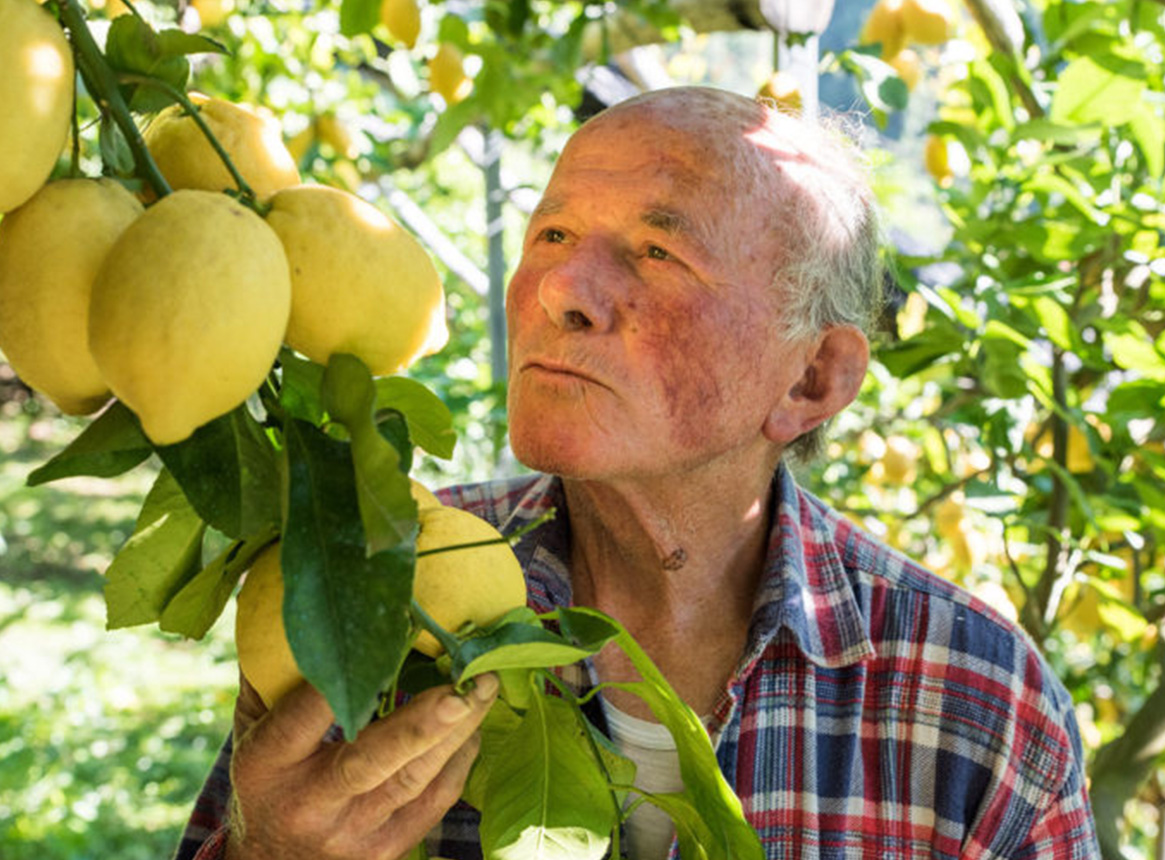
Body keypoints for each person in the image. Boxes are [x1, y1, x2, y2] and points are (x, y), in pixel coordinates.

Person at [175, 85, 1100, 860]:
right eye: (551, 235)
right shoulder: (375, 575)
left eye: (659, 253)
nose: (560, 290)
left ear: (812, 378)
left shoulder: (977, 706)